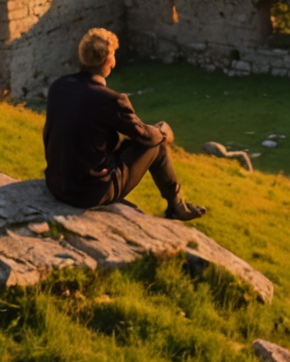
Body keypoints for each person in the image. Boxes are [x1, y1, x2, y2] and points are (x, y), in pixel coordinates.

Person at [43, 27, 207, 220]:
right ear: (107, 61)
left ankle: (177, 204)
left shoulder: (59, 86)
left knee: (137, 142)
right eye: (113, 54)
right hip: (88, 192)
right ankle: (176, 205)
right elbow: (145, 136)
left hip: (56, 184)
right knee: (155, 144)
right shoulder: (110, 100)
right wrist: (163, 132)